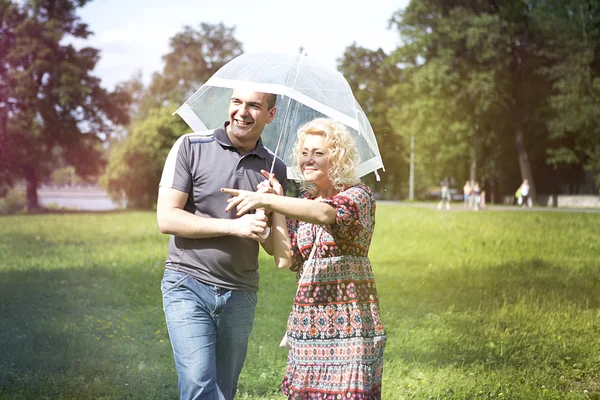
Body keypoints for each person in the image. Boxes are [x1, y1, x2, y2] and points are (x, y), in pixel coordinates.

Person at [221, 118, 386, 399]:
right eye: (305, 152)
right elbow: (285, 259)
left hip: (350, 323)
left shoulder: (358, 196)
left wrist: (270, 201)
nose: (308, 159)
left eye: (319, 153)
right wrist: (278, 204)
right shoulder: (304, 201)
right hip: (308, 322)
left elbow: (325, 214)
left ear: (339, 157)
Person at [156, 88, 287, 400]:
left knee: (224, 390)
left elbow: (274, 248)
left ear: (270, 115)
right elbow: (167, 219)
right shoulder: (190, 146)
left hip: (240, 293)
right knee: (198, 383)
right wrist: (235, 227)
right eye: (237, 102)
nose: (242, 112)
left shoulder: (276, 168)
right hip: (187, 283)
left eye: (254, 105)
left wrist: (272, 206)